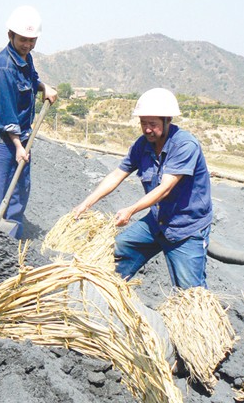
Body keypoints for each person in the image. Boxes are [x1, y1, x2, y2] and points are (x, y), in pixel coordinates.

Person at [73, 88, 213, 289]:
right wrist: (86, 203)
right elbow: (117, 174)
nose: (147, 129)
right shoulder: (143, 144)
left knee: (190, 292)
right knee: (118, 250)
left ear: (167, 120)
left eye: (153, 124)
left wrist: (130, 210)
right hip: (157, 221)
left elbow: (165, 189)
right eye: (143, 123)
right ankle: (105, 293)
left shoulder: (184, 145)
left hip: (186, 228)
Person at [0, 5, 57, 239]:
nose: (28, 45)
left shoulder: (25, 58)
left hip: (21, 137)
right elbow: (7, 112)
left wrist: (43, 87)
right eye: (23, 40)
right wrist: (19, 146)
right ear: (10, 35)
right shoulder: (2, 67)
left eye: (32, 40)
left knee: (19, 192)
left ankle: (10, 244)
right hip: (0, 141)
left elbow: (31, 78)